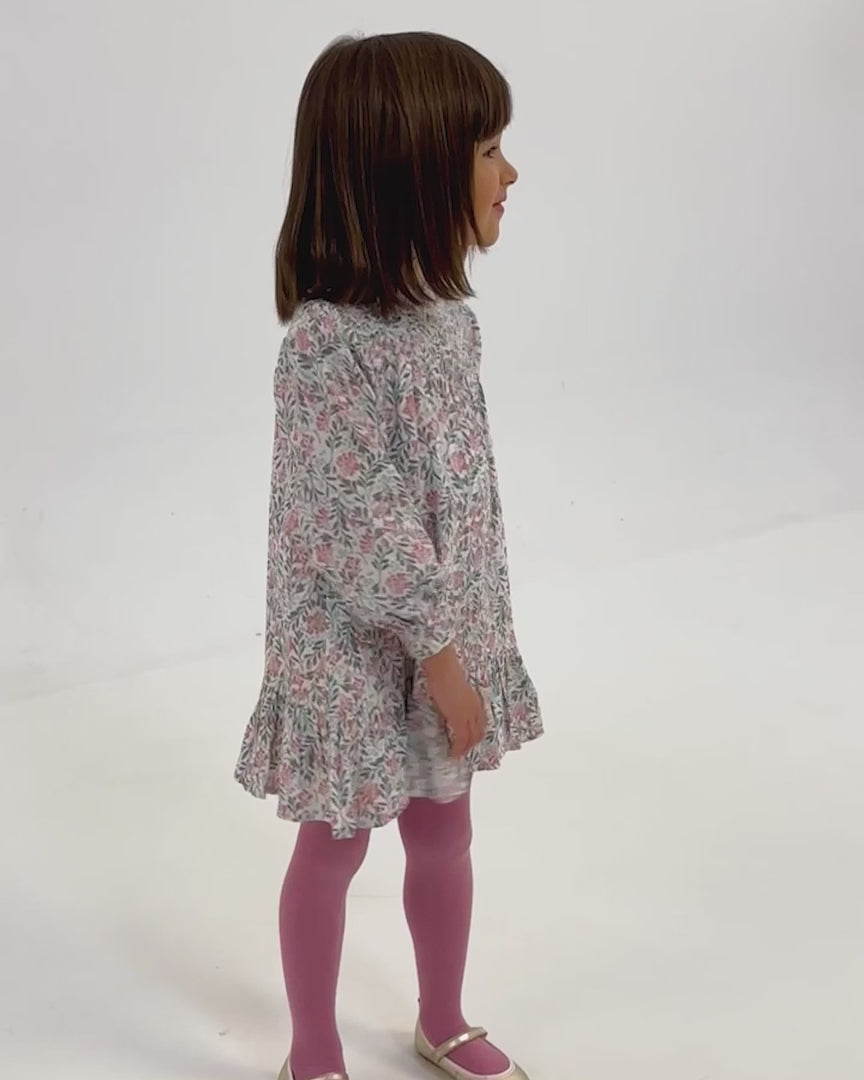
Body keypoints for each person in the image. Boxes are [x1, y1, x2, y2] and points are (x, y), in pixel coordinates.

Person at [234, 29, 543, 1080]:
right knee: (335, 846)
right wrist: (440, 653)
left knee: (445, 832)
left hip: (447, 636)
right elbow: (363, 525)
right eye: (488, 150)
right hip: (355, 655)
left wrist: (458, 643)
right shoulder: (325, 350)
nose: (510, 173)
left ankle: (441, 1017)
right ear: (411, 173)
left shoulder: (447, 325)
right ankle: (312, 1052)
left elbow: (457, 494)